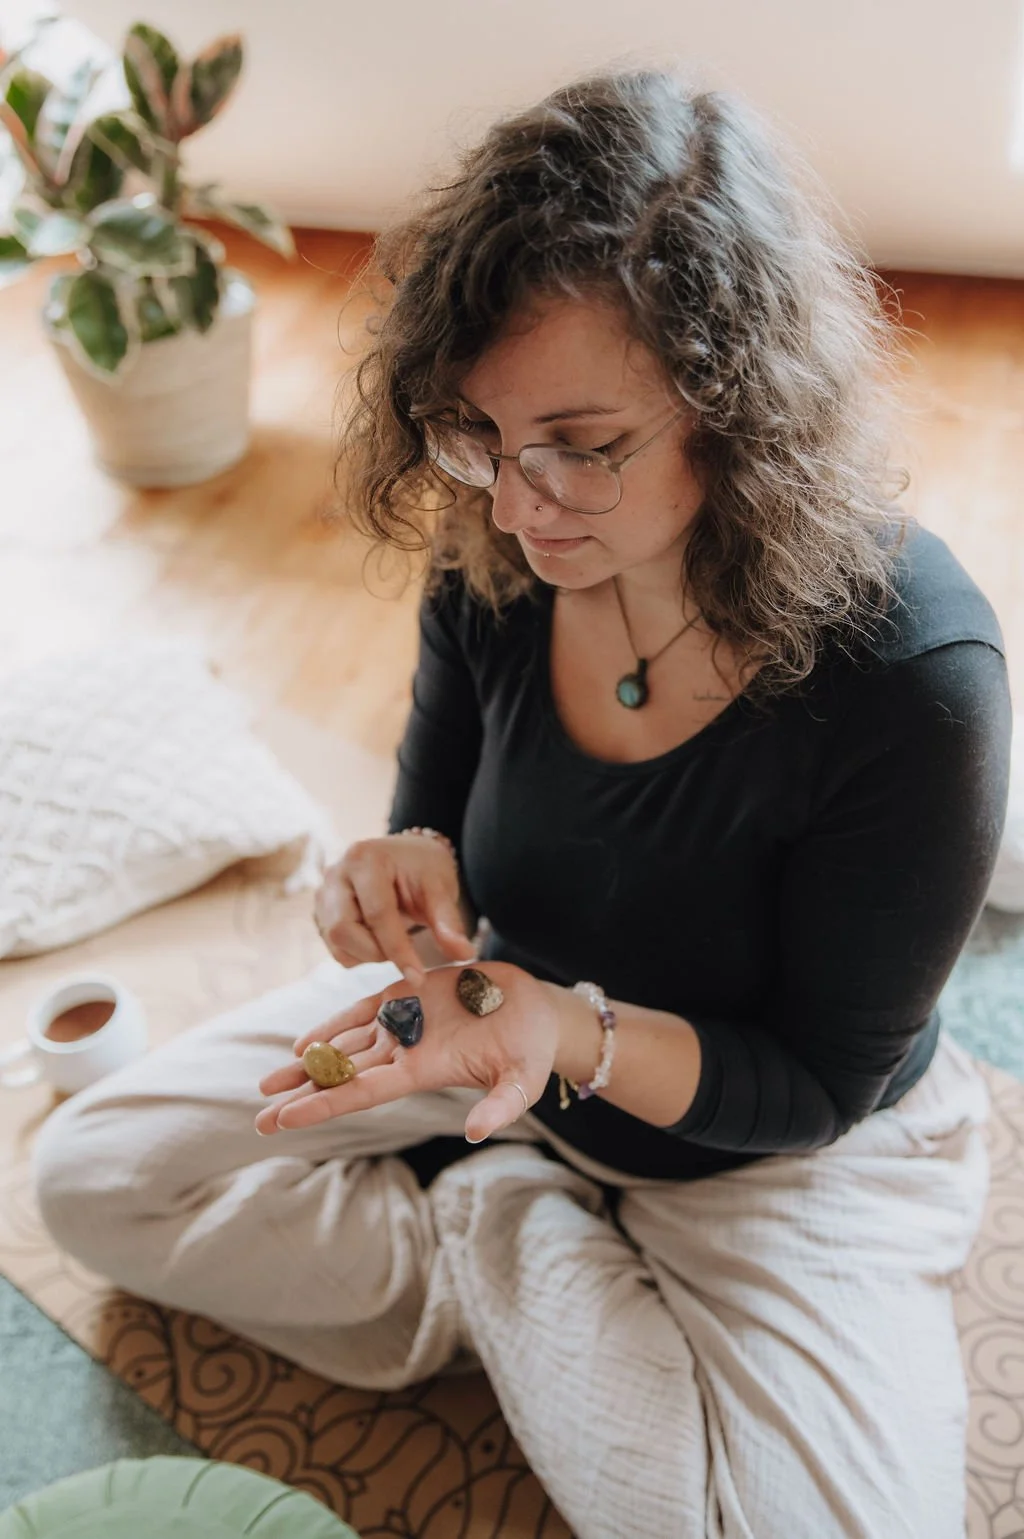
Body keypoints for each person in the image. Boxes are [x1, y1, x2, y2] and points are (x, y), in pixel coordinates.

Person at [32, 68, 1012, 1539]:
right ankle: (527, 1244)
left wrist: (555, 1035)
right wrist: (391, 887)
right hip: (495, 1032)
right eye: (480, 436)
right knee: (92, 1175)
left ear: (730, 397)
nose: (516, 499)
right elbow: (432, 833)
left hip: (765, 1135)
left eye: (580, 442)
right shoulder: (500, 552)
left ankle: (494, 1221)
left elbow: (817, 1082)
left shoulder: (915, 678)